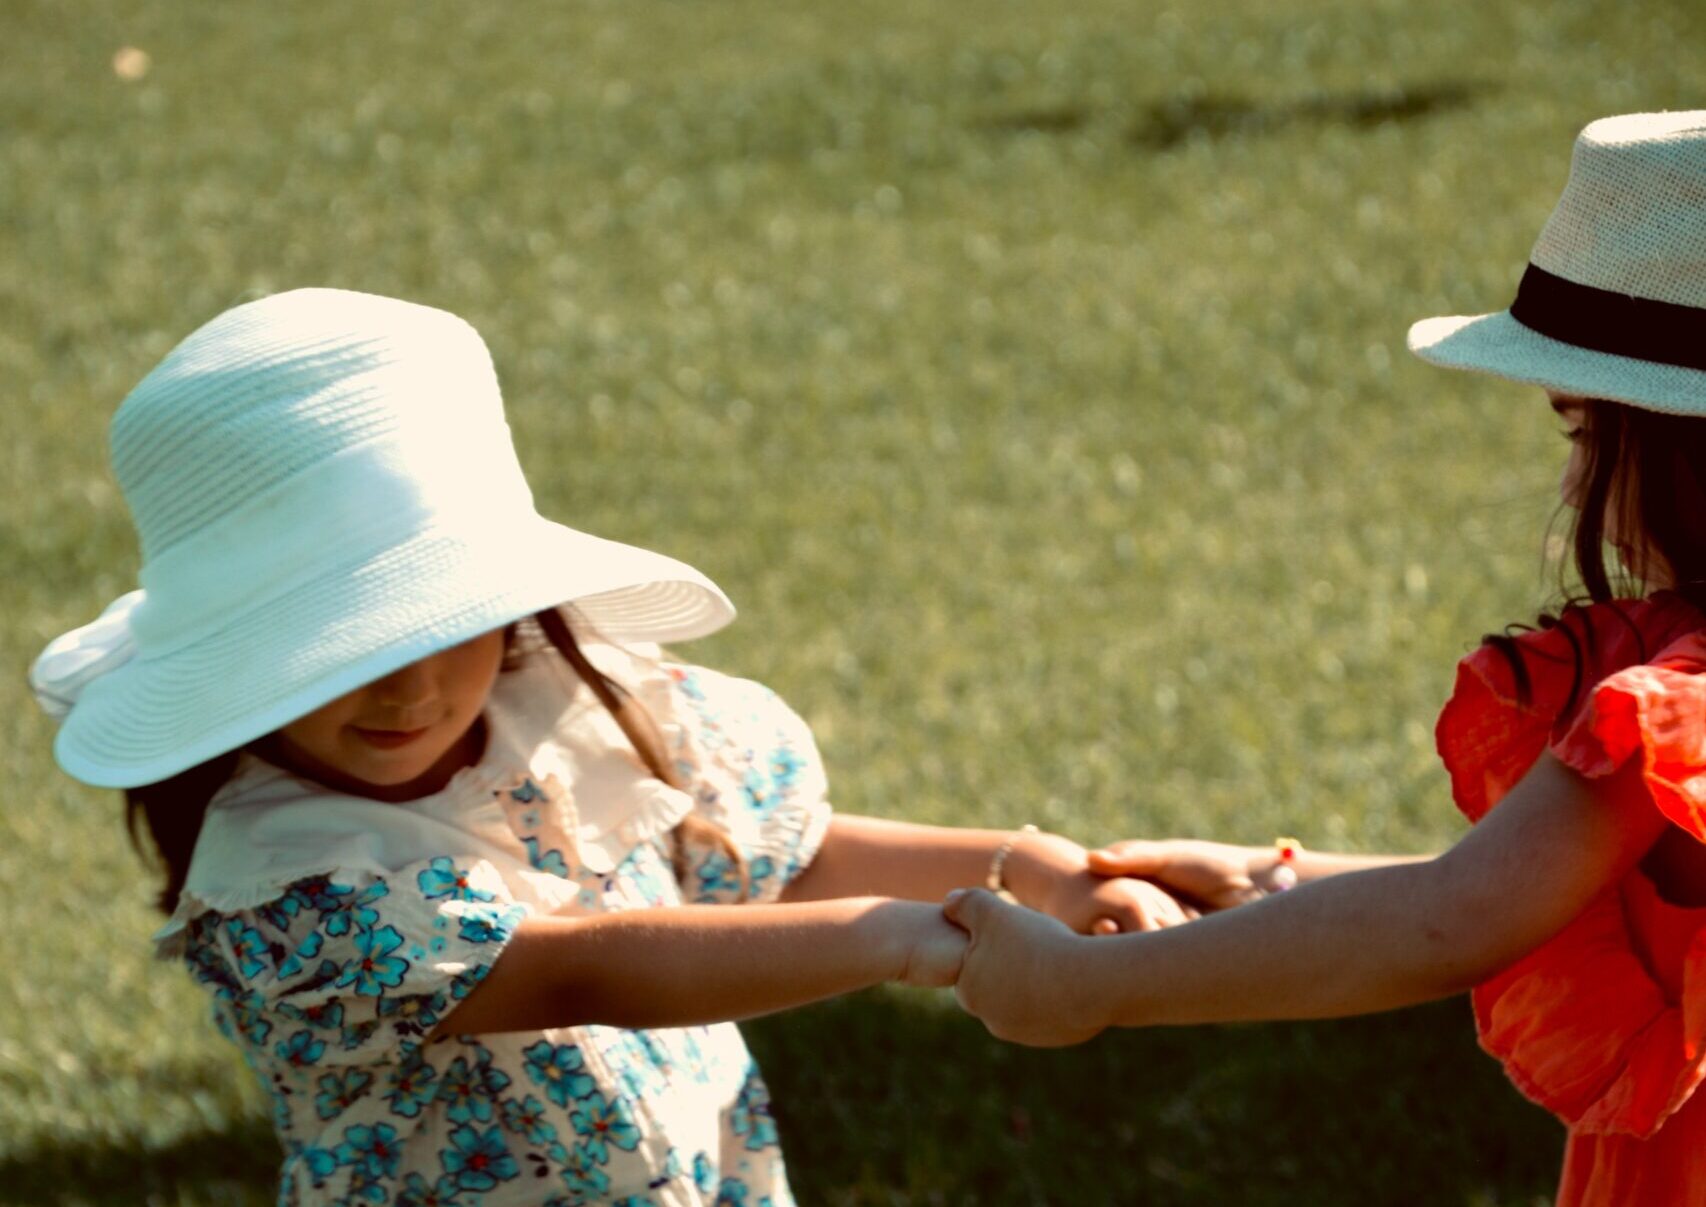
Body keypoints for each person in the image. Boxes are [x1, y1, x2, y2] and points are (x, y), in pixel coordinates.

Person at [29, 288, 1191, 1206]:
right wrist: (903, 941)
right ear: (239, 663)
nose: (410, 682)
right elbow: (586, 965)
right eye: (332, 650)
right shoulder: (291, 884)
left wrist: (1018, 866)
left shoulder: (560, 712)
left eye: (445, 622)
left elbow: (781, 855)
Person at [946, 110, 1706, 1205]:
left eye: (1582, 433)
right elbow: (1512, 884)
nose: (1567, 484)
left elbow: (1452, 917)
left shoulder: (1679, 705)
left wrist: (1091, 982)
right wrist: (1278, 885)